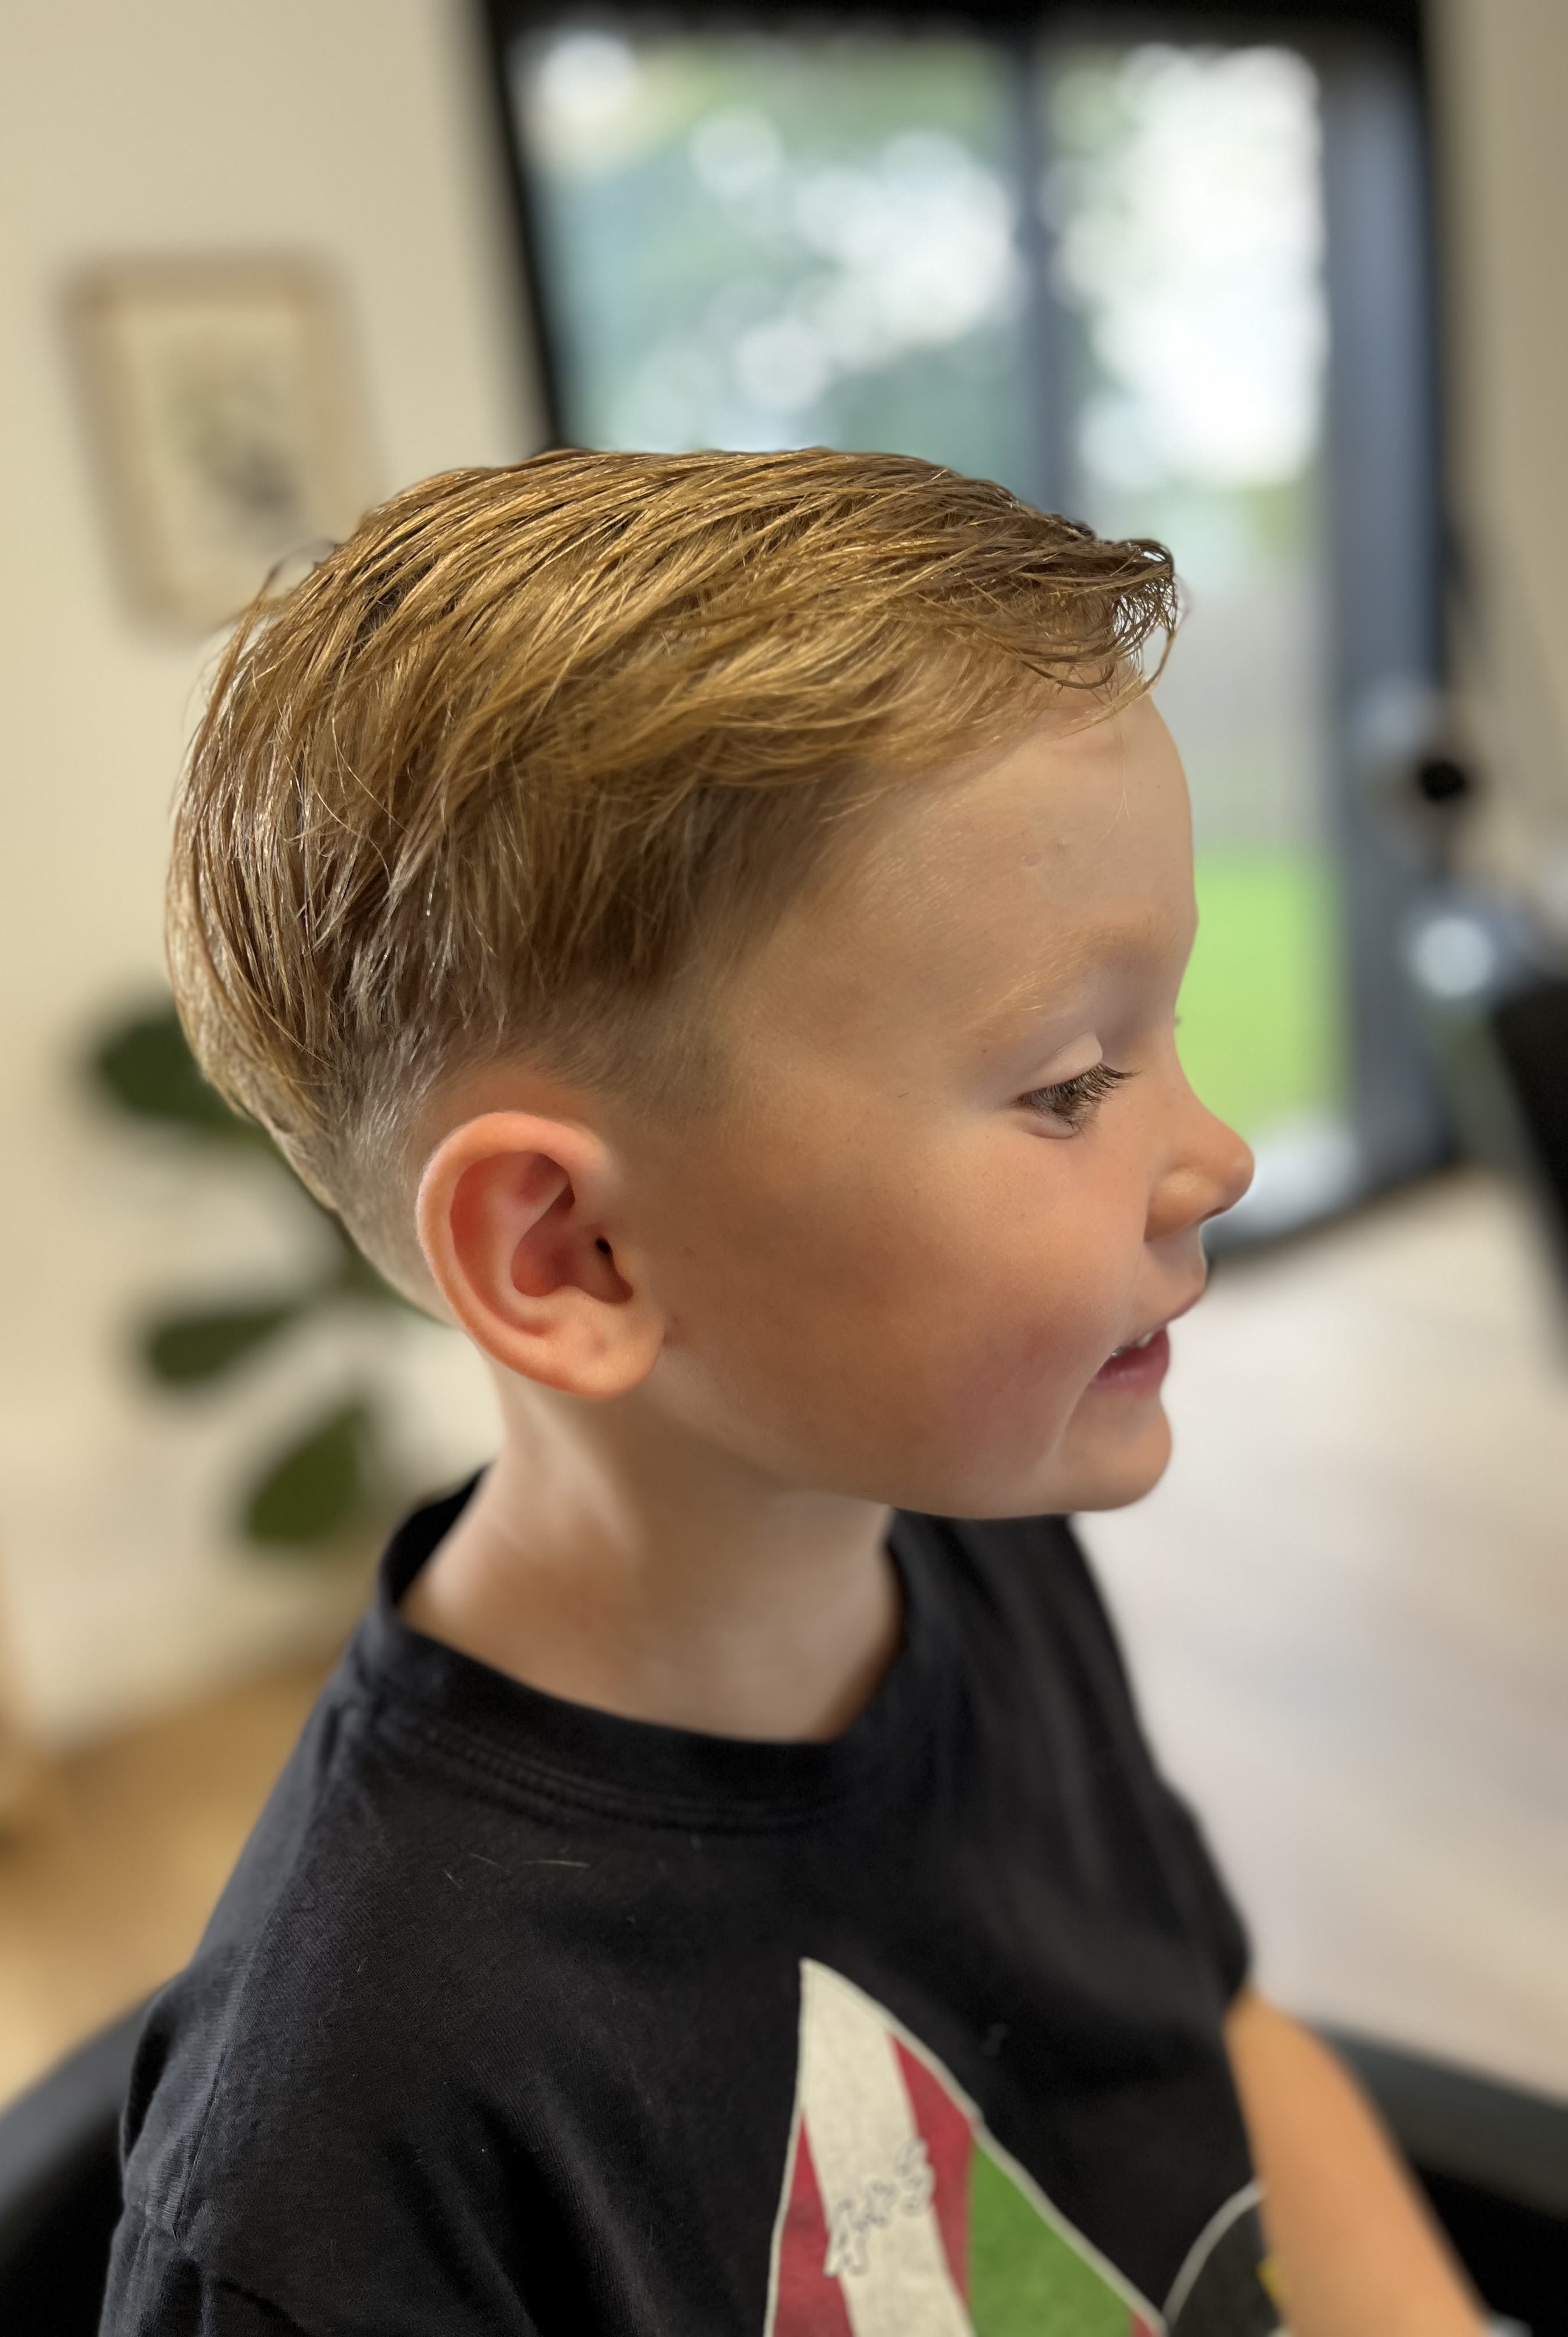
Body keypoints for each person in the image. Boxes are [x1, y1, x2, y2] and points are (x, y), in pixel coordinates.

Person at [103, 450, 1483, 2336]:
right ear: (573, 1256)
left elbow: (1218, 2039)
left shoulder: (981, 1556)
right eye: (1074, 1082)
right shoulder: (355, 2139)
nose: (1217, 1153)